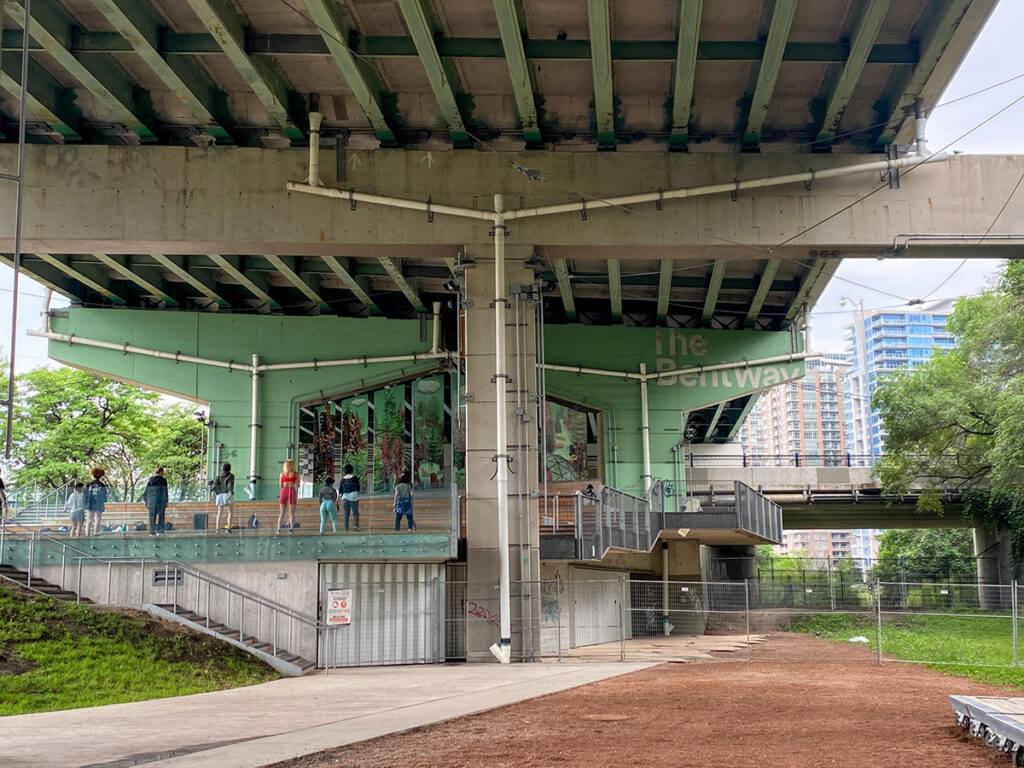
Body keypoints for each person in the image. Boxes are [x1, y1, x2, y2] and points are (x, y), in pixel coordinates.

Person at [143, 467, 169, 536]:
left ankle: (152, 532)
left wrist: (146, 502)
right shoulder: (163, 481)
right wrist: (166, 501)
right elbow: (165, 491)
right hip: (160, 502)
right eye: (163, 472)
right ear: (161, 472)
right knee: (161, 517)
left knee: (152, 517)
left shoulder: (150, 481)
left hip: (151, 502)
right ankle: (160, 531)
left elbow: (146, 492)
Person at [84, 467, 108, 536]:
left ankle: (87, 533)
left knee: (89, 519)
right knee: (97, 518)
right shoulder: (102, 485)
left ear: (93, 475)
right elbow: (104, 494)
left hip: (90, 503)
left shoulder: (88, 484)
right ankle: (95, 532)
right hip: (98, 503)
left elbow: (85, 494)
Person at [211, 462, 235, 532]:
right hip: (227, 493)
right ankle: (228, 528)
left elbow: (214, 485)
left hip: (219, 495)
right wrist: (230, 493)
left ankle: (217, 528)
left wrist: (212, 494)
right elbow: (230, 484)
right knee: (230, 512)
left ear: (222, 468)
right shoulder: (231, 476)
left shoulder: (219, 476)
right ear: (229, 468)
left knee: (219, 512)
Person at [277, 459, 298, 533]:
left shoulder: (282, 474)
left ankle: (279, 529)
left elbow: (280, 485)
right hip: (292, 490)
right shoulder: (295, 474)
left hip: (284, 491)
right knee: (292, 513)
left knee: (282, 512)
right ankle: (291, 529)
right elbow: (298, 485)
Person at [340, 464, 360, 532]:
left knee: (346, 513)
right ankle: (356, 526)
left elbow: (340, 490)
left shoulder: (342, 479)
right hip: (354, 497)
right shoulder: (355, 478)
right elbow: (358, 488)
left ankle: (346, 528)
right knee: (355, 513)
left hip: (345, 497)